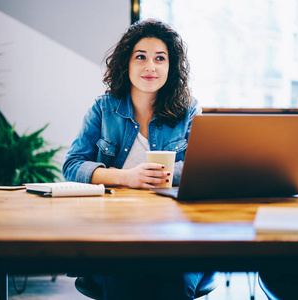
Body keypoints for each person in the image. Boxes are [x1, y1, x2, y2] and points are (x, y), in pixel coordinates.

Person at [63, 19, 216, 299]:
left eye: (160, 58)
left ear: (170, 67)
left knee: (172, 281)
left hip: (177, 231)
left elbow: (204, 168)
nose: (150, 67)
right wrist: (126, 177)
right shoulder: (104, 109)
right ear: (126, 64)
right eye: (141, 57)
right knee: (123, 279)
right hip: (113, 231)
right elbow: (72, 165)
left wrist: (160, 176)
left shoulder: (189, 111)